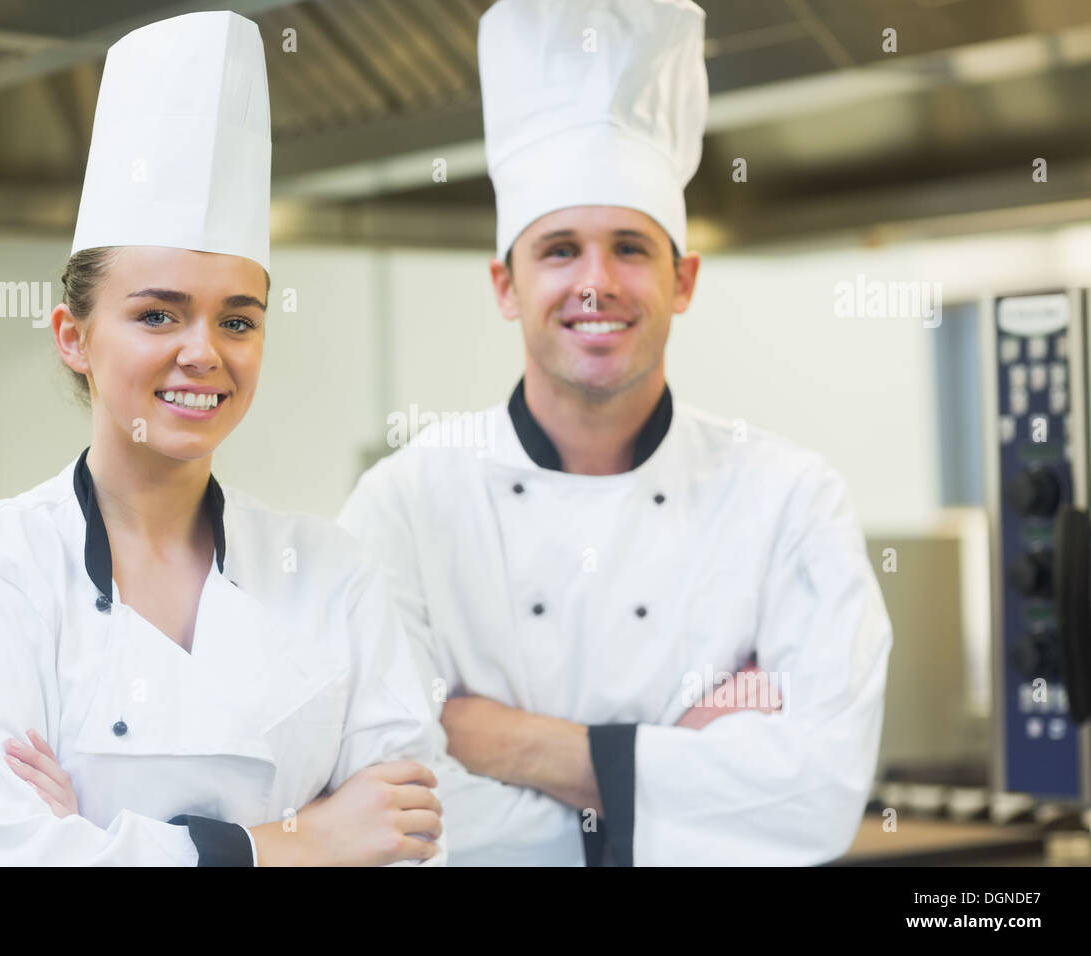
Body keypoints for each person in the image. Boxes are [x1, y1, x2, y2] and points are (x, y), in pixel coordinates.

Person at [336, 0, 893, 865]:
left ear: (684, 281)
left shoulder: (790, 498)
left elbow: (818, 796)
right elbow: (391, 808)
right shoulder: (402, 505)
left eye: (631, 248)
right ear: (504, 286)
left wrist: (506, 741)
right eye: (559, 249)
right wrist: (685, 768)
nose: (596, 282)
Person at [0, 10, 443, 867]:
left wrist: (100, 841)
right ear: (73, 336)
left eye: (237, 318)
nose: (204, 351)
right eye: (158, 313)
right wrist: (299, 840)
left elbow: (408, 845)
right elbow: (0, 860)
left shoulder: (335, 578)